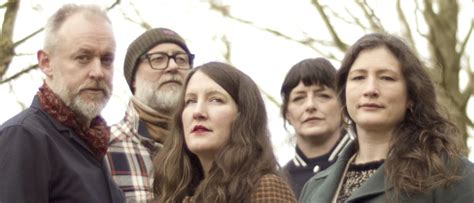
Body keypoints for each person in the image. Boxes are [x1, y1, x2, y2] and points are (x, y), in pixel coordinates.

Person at [299, 33, 474, 202]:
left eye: (387, 78)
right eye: (359, 77)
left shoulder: (449, 173)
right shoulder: (314, 188)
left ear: (411, 96)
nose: (370, 89)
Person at [0, 4, 124, 202]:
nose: (98, 72)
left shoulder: (93, 143)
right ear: (46, 63)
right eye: (83, 57)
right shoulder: (24, 136)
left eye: (107, 59)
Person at [153, 62, 296, 202]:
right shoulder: (173, 193)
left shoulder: (265, 188)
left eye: (215, 100)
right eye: (190, 101)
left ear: (243, 116)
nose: (198, 112)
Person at [105, 28, 194, 202]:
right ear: (133, 79)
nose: (173, 66)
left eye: (181, 59)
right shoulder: (101, 150)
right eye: (158, 59)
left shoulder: (212, 149)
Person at [280, 58, 350, 198]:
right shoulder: (277, 181)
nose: (310, 106)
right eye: (299, 98)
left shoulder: (370, 165)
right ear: (287, 113)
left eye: (323, 96)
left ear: (343, 105)